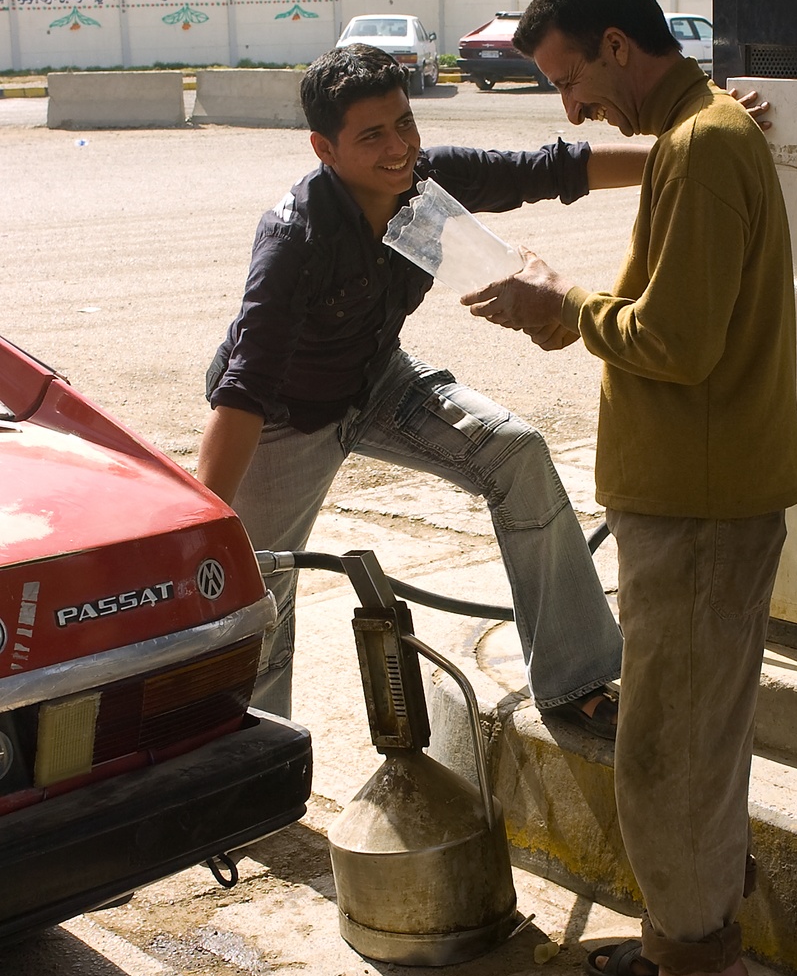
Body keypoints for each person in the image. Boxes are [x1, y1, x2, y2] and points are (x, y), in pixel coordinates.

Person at [462, 0, 797, 976]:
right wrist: (580, 317)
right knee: (701, 748)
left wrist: (561, 313)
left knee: (667, 758)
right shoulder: (696, 137)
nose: (569, 112)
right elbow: (664, 317)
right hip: (700, 495)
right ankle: (710, 953)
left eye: (568, 79)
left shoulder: (702, 145)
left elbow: (682, 342)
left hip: (703, 509)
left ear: (618, 46)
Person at [197, 42, 641, 734]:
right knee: (258, 598)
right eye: (371, 135)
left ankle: (577, 675)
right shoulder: (295, 237)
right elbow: (247, 387)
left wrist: (679, 155)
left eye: (404, 123)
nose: (399, 147)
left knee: (515, 453)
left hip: (377, 382)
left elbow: (553, 169)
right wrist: (204, 525)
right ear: (325, 148)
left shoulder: (429, 187)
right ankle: (250, 756)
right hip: (286, 418)